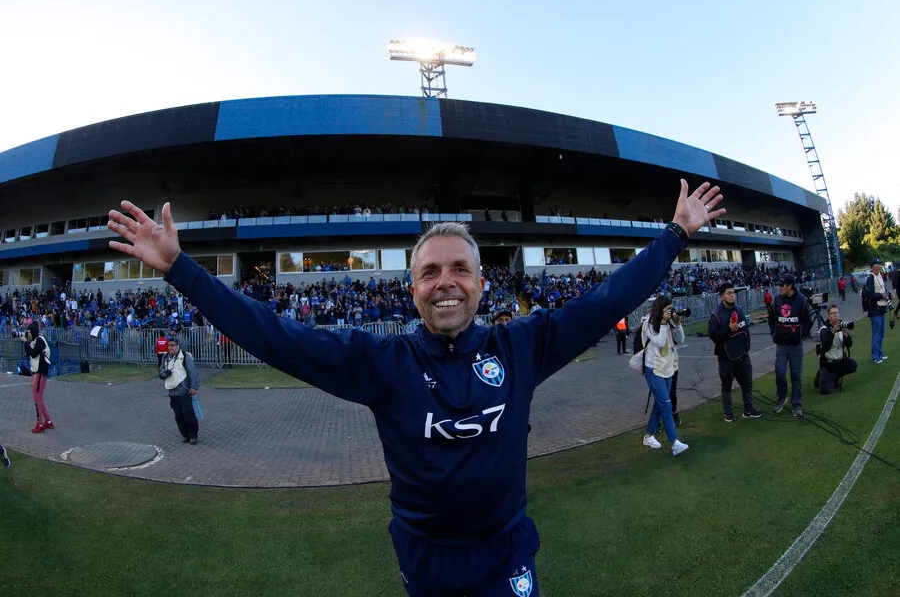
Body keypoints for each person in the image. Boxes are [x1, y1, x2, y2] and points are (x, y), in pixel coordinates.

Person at [107, 179, 725, 596]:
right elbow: (275, 335)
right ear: (413, 289)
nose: (446, 281)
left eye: (460, 268)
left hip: (507, 551)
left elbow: (607, 299)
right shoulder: (383, 362)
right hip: (425, 557)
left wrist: (675, 235)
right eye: (430, 271)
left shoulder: (522, 346)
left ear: (482, 285)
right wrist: (185, 271)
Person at [640, 297, 689, 456]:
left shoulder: (668, 323)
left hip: (667, 367)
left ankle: (648, 436)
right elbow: (660, 342)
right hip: (653, 369)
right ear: (659, 309)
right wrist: (662, 323)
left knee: (660, 404)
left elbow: (681, 340)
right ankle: (675, 442)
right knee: (666, 404)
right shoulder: (649, 323)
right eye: (667, 309)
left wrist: (677, 323)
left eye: (671, 309)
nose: (670, 312)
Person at [708, 283, 761, 422]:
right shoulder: (716, 315)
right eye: (728, 293)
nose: (732, 295)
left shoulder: (739, 309)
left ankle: (749, 410)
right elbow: (713, 336)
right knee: (727, 387)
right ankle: (728, 413)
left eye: (733, 293)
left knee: (747, 384)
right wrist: (728, 330)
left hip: (742, 354)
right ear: (722, 296)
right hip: (726, 357)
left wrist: (746, 345)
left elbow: (745, 329)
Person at [768, 273, 813, 417]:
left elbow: (807, 320)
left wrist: (801, 335)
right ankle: (782, 397)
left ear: (790, 286)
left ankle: (796, 403)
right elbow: (771, 318)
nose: (779, 288)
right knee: (780, 373)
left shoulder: (801, 300)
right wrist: (774, 334)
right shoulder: (777, 301)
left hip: (795, 345)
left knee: (796, 375)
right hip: (781, 344)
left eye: (782, 285)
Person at [159, 336, 201, 444]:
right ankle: (185, 435)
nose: (170, 348)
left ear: (178, 346)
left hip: (184, 390)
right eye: (169, 345)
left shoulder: (185, 356)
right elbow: (161, 371)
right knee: (178, 416)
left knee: (188, 414)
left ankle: (193, 435)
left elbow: (192, 372)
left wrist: (193, 387)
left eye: (172, 345)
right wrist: (164, 373)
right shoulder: (165, 357)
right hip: (172, 392)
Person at [20, 320, 54, 433]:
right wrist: (26, 343)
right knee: (38, 398)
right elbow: (29, 352)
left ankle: (39, 423)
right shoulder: (34, 341)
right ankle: (48, 421)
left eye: (29, 332)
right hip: (37, 372)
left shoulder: (40, 340)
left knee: (37, 398)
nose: (28, 334)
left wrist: (25, 342)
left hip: (40, 372)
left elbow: (34, 353)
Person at [816, 304, 858, 394]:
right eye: (832, 313)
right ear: (829, 316)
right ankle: (820, 375)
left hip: (840, 361)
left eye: (836, 313)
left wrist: (846, 336)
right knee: (825, 390)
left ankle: (836, 376)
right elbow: (826, 347)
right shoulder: (824, 330)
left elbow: (849, 345)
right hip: (828, 364)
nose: (835, 315)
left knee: (853, 365)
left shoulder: (842, 327)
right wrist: (833, 331)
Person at [865, 258, 891, 364]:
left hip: (881, 308)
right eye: (878, 264)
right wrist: (882, 296)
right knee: (876, 333)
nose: (880, 266)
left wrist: (889, 295)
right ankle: (875, 356)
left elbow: (883, 289)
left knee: (881, 333)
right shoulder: (870, 277)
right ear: (873, 266)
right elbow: (870, 294)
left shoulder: (879, 275)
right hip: (874, 309)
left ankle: (880, 353)